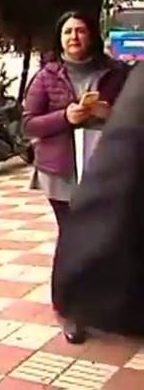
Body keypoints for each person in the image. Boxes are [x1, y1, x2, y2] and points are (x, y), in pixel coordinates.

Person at [22, 10, 129, 344]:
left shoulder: (116, 73)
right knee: (72, 242)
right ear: (60, 38)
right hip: (62, 173)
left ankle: (110, 307)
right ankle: (70, 311)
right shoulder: (47, 75)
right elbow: (27, 124)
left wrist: (111, 113)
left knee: (109, 240)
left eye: (80, 31)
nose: (74, 37)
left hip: (108, 172)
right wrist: (65, 117)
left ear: (92, 35)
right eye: (67, 32)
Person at [52, 63, 144, 338]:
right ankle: (77, 311)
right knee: (97, 237)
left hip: (118, 173)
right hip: (117, 173)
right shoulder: (138, 75)